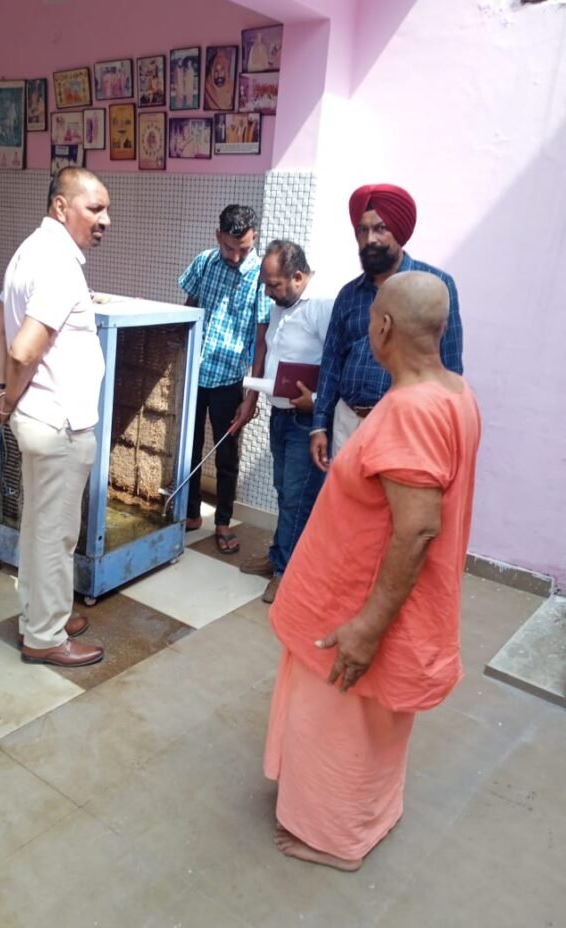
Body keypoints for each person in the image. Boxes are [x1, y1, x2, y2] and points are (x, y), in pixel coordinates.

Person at [264, 270, 481, 871]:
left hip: (355, 608)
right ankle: (368, 815)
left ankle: (333, 838)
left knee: (339, 723)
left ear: (383, 327)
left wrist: (367, 627)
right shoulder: (456, 392)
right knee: (370, 725)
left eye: (370, 321)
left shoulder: (412, 410)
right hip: (357, 594)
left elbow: (417, 529)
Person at [0, 167, 110, 668]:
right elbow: (24, 349)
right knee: (54, 535)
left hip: (41, 418)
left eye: (106, 210)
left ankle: (42, 614)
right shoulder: (58, 264)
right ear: (60, 207)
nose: (105, 221)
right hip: (57, 425)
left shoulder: (29, 251)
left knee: (39, 529)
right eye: (95, 209)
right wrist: (3, 401)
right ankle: (46, 636)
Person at [310, 183, 463, 470]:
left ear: (399, 232)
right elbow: (331, 362)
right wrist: (319, 424)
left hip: (403, 425)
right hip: (347, 422)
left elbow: (451, 365)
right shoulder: (349, 294)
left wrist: (440, 431)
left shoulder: (435, 285)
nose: (370, 239)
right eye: (362, 230)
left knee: (394, 499)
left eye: (380, 228)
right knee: (345, 498)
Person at [240, 241, 333, 603]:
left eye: (274, 285)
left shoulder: (322, 305)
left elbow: (337, 364)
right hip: (280, 414)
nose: (267, 292)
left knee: (298, 497)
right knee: (283, 491)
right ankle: (279, 554)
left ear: (297, 277)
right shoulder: (282, 303)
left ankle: (288, 572)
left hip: (306, 421)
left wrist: (317, 403)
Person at [179, 204, 270, 554]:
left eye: (242, 249)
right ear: (218, 236)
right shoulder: (204, 262)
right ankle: (190, 514)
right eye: (228, 247)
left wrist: (252, 395)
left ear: (254, 237)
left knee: (226, 454)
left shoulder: (260, 275)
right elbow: (188, 310)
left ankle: (222, 522)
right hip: (193, 373)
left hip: (230, 380)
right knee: (187, 446)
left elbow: (261, 340)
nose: (234, 256)